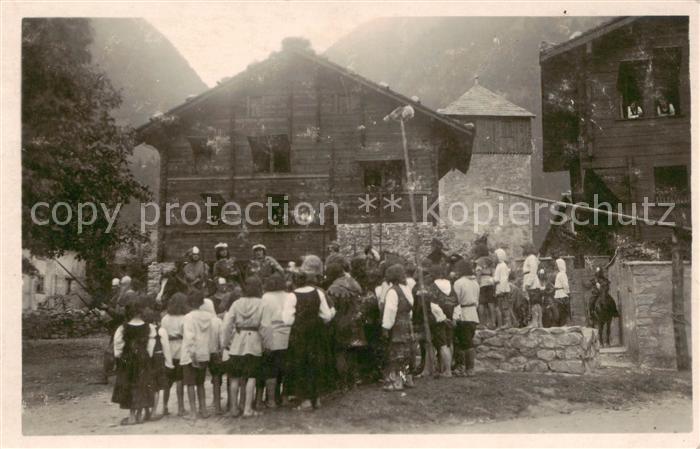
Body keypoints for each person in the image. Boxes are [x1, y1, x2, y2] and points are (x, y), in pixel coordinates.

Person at [283, 255, 335, 411]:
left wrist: (299, 321)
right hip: (316, 332)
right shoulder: (318, 293)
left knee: (300, 364)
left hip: (299, 334)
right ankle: (316, 398)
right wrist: (331, 313)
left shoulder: (292, 296)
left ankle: (305, 400)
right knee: (316, 363)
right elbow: (326, 316)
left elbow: (286, 320)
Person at [222, 276, 265, 418]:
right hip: (254, 341)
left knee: (235, 377)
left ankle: (234, 408)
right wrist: (267, 343)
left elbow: (227, 324)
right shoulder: (262, 303)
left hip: (237, 342)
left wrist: (226, 342)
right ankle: (247, 409)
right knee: (251, 377)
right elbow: (266, 326)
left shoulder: (236, 303)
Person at [111, 296, 158, 425]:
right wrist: (146, 356)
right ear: (141, 311)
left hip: (128, 359)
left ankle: (132, 416)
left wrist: (119, 358)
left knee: (130, 385)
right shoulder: (150, 327)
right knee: (142, 384)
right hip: (143, 359)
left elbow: (118, 346)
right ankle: (139, 415)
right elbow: (150, 346)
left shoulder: (122, 328)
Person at [326, 262, 365, 390]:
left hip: (341, 324)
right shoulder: (354, 282)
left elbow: (332, 308)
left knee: (340, 352)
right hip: (356, 322)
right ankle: (353, 382)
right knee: (353, 352)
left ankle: (342, 384)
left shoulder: (334, 288)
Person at [259, 273, 294, 408]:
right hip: (287, 333)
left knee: (271, 369)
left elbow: (265, 321)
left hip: (272, 335)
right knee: (285, 369)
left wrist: (265, 340)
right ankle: (284, 398)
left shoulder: (266, 297)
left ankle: (271, 400)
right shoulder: (289, 296)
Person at [180, 290, 217, 419]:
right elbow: (211, 335)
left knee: (190, 384)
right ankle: (204, 410)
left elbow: (189, 338)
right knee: (201, 383)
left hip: (191, 355)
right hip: (204, 353)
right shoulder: (208, 316)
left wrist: (192, 355)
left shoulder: (188, 317)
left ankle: (193, 412)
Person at [381, 264, 416, 391]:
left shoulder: (393, 291)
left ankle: (397, 382)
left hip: (397, 326)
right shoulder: (407, 289)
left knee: (396, 354)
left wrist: (386, 327)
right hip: (407, 324)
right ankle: (407, 379)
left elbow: (390, 310)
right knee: (407, 353)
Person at [160, 292, 188, 417]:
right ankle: (181, 407)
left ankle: (164, 406)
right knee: (180, 380)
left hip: (168, 351)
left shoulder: (165, 318)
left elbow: (162, 333)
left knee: (167, 381)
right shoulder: (185, 318)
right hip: (181, 350)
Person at [452, 260, 479, 377]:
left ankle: (464, 367)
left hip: (463, 313)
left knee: (462, 342)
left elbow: (455, 301)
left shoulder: (459, 283)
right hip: (473, 313)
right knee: (469, 341)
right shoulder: (475, 283)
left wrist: (455, 316)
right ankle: (469, 367)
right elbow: (477, 300)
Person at [474, 244, 498, 329]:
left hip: (482, 284)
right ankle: (493, 322)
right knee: (491, 303)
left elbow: (478, 273)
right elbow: (494, 273)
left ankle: (482, 323)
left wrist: (477, 282)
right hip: (490, 282)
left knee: (481, 303)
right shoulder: (490, 261)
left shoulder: (479, 261)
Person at [522, 243, 542, 327]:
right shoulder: (530, 258)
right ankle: (538, 322)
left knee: (534, 303)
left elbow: (533, 271)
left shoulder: (531, 258)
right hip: (531, 281)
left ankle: (535, 321)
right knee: (534, 302)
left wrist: (528, 283)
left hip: (532, 283)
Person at [493, 248, 512, 328]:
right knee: (500, 307)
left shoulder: (503, 266)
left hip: (502, 290)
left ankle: (508, 323)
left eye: (495, 256)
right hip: (499, 288)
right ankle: (503, 324)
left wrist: (502, 290)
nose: (494, 258)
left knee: (505, 307)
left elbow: (503, 279)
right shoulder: (499, 265)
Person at [553, 256, 571, 325]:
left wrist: (567, 293)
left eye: (557, 265)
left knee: (562, 311)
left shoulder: (562, 274)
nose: (556, 266)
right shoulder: (560, 274)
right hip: (558, 294)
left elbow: (565, 285)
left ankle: (564, 323)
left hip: (562, 294)